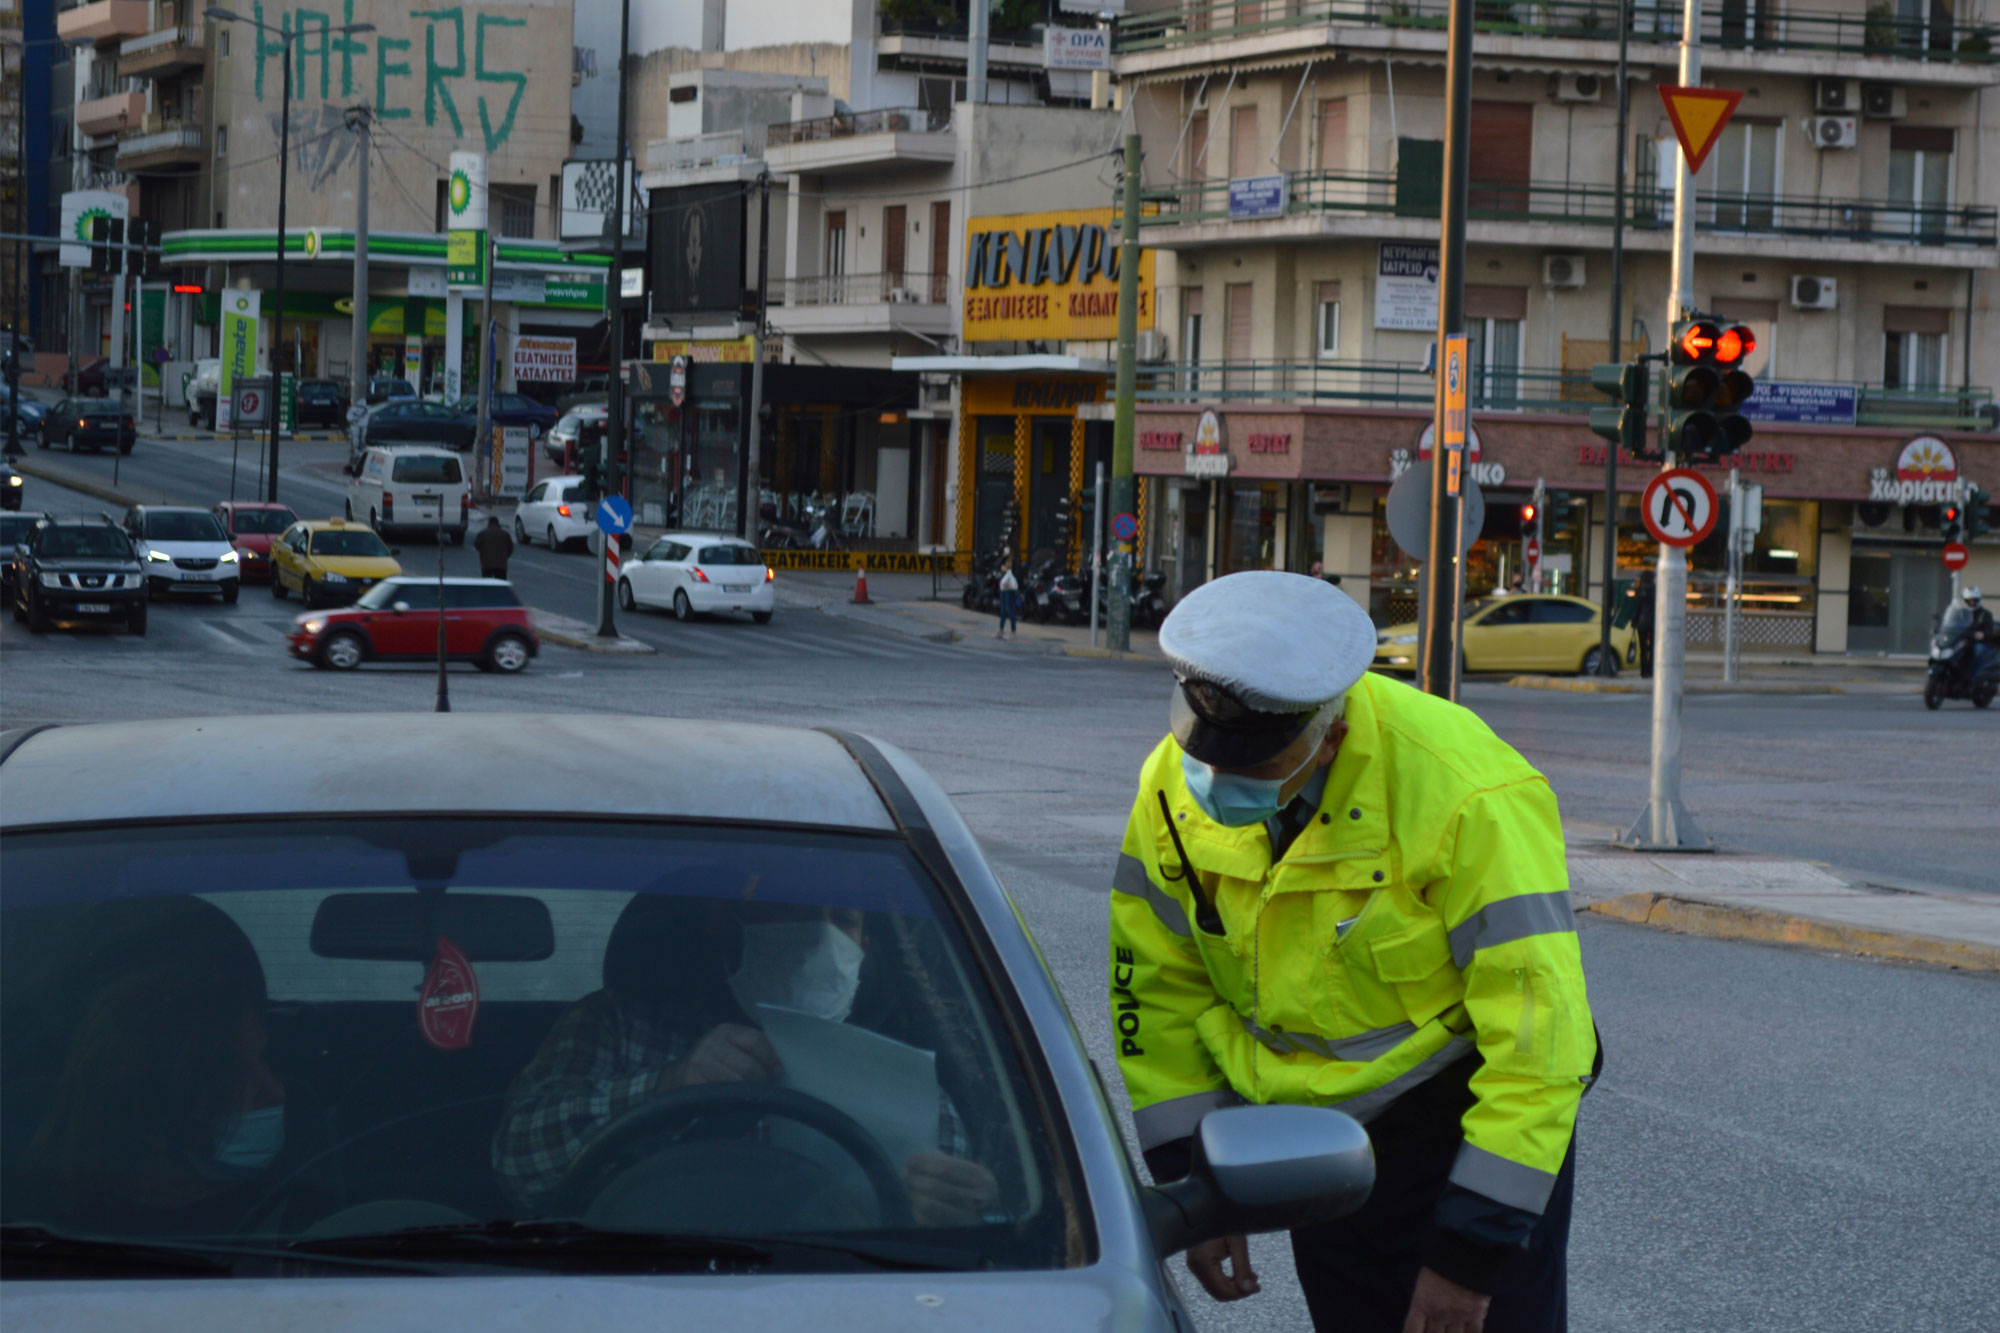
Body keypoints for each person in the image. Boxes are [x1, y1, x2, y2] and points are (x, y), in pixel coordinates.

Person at [1109, 571, 1597, 1333]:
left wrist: (1470, 1255)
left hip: (1456, 1134)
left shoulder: (1468, 794)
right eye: (1207, 749)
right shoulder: (1172, 783)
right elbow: (1157, 986)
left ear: (1328, 736)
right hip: (1316, 1140)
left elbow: (1540, 1043)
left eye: (1251, 762)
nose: (1217, 780)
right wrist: (1194, 1187)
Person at [492, 893, 998, 1225]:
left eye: (841, 920)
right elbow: (519, 1164)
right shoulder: (616, 1025)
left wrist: (952, 1204)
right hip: (621, 1285)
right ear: (726, 929)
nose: (819, 938)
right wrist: (668, 1083)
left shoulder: (900, 1077)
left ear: (864, 947)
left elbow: (957, 1217)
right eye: (791, 911)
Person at [26, 967, 290, 1235]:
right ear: (154, 1100)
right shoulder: (33, 1241)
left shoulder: (306, 1207)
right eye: (233, 1075)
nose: (277, 1091)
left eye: (264, 1059)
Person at [1962, 586, 1995, 676]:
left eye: (1974, 600)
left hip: (1979, 642)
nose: (1972, 603)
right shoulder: (1961, 613)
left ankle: (1974, 676)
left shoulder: (1985, 614)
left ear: (1978, 600)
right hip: (1965, 641)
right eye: (1969, 601)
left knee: (1978, 650)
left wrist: (1982, 634)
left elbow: (1989, 631)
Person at [1631, 569, 1657, 678]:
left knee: (1643, 648)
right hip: (1653, 622)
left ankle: (1644, 671)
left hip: (1642, 622)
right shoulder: (1656, 590)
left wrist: (1634, 620)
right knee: (1653, 648)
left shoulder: (1639, 590)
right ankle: (1651, 670)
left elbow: (1637, 607)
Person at [474, 514, 514, 581]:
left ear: (488, 523)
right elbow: (511, 547)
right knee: (500, 583)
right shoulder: (505, 534)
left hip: (486, 563)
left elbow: (476, 545)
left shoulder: (482, 534)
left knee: (487, 583)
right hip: (502, 564)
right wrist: (505, 556)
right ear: (498, 523)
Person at [996, 562, 1020, 638]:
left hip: (1008, 592)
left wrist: (1006, 585)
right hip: (1005, 592)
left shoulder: (1009, 574)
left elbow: (1011, 585)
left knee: (1009, 610)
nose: (1001, 567)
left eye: (1003, 566)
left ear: (1006, 567)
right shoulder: (1007, 574)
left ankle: (1013, 631)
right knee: (1004, 611)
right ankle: (1001, 629)